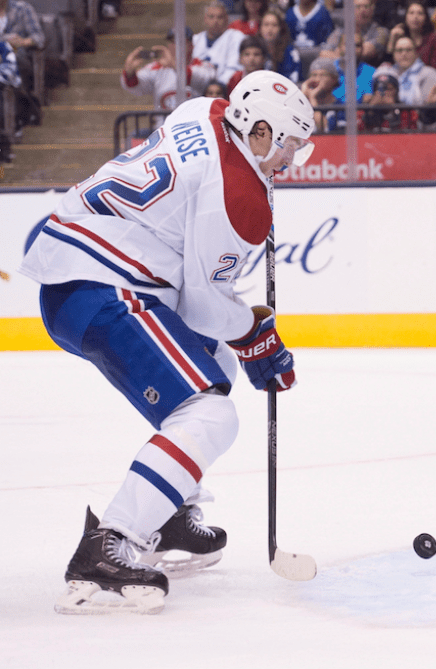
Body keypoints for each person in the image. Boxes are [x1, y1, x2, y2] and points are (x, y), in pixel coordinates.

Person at [18, 70, 315, 614]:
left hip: (80, 263)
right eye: (289, 146)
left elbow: (197, 300)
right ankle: (109, 543)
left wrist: (245, 340)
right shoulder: (242, 198)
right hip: (103, 285)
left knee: (211, 363)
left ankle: (170, 508)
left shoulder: (207, 109)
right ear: (261, 133)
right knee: (211, 414)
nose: (290, 161)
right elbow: (203, 305)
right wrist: (257, 336)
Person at [121, 28, 216, 111]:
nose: (174, 45)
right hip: (163, 126)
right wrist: (130, 73)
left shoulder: (203, 65)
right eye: (171, 42)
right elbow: (136, 88)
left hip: (194, 126)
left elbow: (201, 79)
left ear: (191, 45)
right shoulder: (157, 67)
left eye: (179, 41)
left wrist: (173, 64)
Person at [317, 0, 390, 67]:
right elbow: (323, 53)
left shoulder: (381, 32)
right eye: (357, 6)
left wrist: (338, 50)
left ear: (372, 10)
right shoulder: (340, 31)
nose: (362, 10)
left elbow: (363, 52)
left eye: (366, 6)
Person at [388, 1, 436, 77]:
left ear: (426, 17)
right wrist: (392, 40)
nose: (415, 17)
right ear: (405, 17)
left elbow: (435, 71)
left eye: (420, 13)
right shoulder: (402, 39)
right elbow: (392, 67)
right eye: (411, 13)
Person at [193, 1, 246, 85]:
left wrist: (217, 87)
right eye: (211, 17)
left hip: (223, 90)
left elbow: (234, 70)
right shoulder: (195, 39)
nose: (215, 21)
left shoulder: (236, 37)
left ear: (227, 19)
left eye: (220, 17)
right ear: (205, 19)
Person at [386, 35, 436, 104]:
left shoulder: (430, 74)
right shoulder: (388, 75)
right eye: (399, 50)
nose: (404, 54)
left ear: (416, 53)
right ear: (394, 55)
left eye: (408, 50)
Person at [259, 5, 301, 84]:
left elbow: (292, 81)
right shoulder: (255, 49)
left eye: (274, 25)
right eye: (266, 24)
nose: (270, 29)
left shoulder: (290, 52)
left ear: (280, 29)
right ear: (260, 28)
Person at [301, 55, 341, 131]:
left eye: (323, 75)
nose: (317, 79)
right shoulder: (305, 104)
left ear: (334, 79)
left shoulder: (340, 107)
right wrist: (303, 97)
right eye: (314, 75)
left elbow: (324, 129)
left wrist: (313, 98)